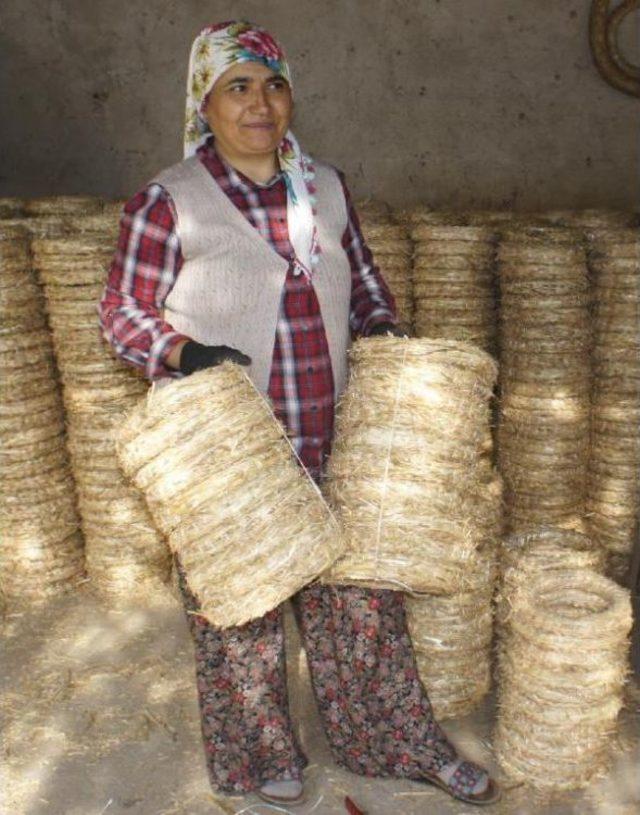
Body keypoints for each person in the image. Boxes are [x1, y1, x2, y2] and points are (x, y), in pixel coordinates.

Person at [99, 20, 500, 808]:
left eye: (273, 84)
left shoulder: (324, 186)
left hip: (332, 425)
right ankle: (255, 757)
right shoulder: (167, 201)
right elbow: (121, 310)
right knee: (240, 603)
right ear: (204, 102)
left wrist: (382, 330)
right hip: (232, 443)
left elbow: (366, 279)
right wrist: (184, 355)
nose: (260, 104)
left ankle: (393, 742)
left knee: (361, 595)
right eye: (237, 87)